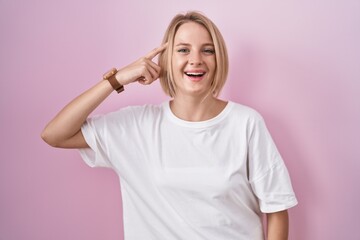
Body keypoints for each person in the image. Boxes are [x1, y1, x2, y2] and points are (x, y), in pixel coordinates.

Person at [42, 11, 297, 240]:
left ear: (219, 59)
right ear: (165, 60)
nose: (195, 59)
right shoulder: (136, 126)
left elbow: (276, 208)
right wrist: (118, 78)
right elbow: (55, 134)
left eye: (207, 50)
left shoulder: (246, 123)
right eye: (183, 50)